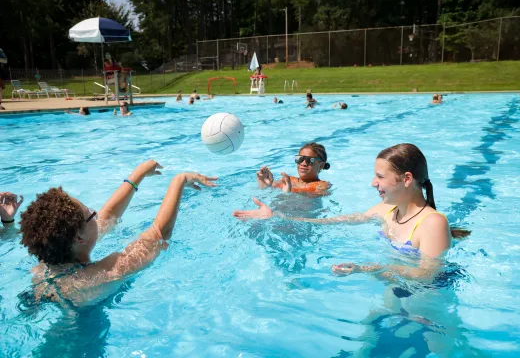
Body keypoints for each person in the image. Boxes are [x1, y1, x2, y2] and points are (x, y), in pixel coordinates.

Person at [233, 143, 470, 280]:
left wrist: (365, 268)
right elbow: (337, 221)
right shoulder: (387, 210)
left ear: (407, 179)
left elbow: (426, 276)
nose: (372, 183)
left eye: (380, 177)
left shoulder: (432, 223)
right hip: (395, 297)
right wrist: (277, 216)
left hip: (426, 312)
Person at [19, 160, 217, 307]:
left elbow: (108, 217)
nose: (96, 213)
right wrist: (179, 180)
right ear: (79, 238)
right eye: (89, 213)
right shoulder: (101, 274)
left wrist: (138, 174)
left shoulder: (45, 265)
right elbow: (159, 233)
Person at [255, 142, 331, 196]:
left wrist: (288, 193)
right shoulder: (288, 180)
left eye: (310, 160)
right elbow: (266, 192)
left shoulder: (322, 185)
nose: (303, 163)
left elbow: (308, 200)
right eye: (300, 159)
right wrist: (265, 184)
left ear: (321, 165)